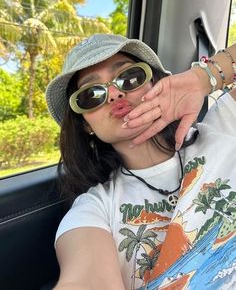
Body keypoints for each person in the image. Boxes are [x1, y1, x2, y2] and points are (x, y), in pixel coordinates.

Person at [46, 34, 236, 290]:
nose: (114, 93)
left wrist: (203, 78)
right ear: (85, 124)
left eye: (129, 77)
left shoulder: (225, 126)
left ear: (155, 84)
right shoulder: (94, 208)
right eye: (91, 94)